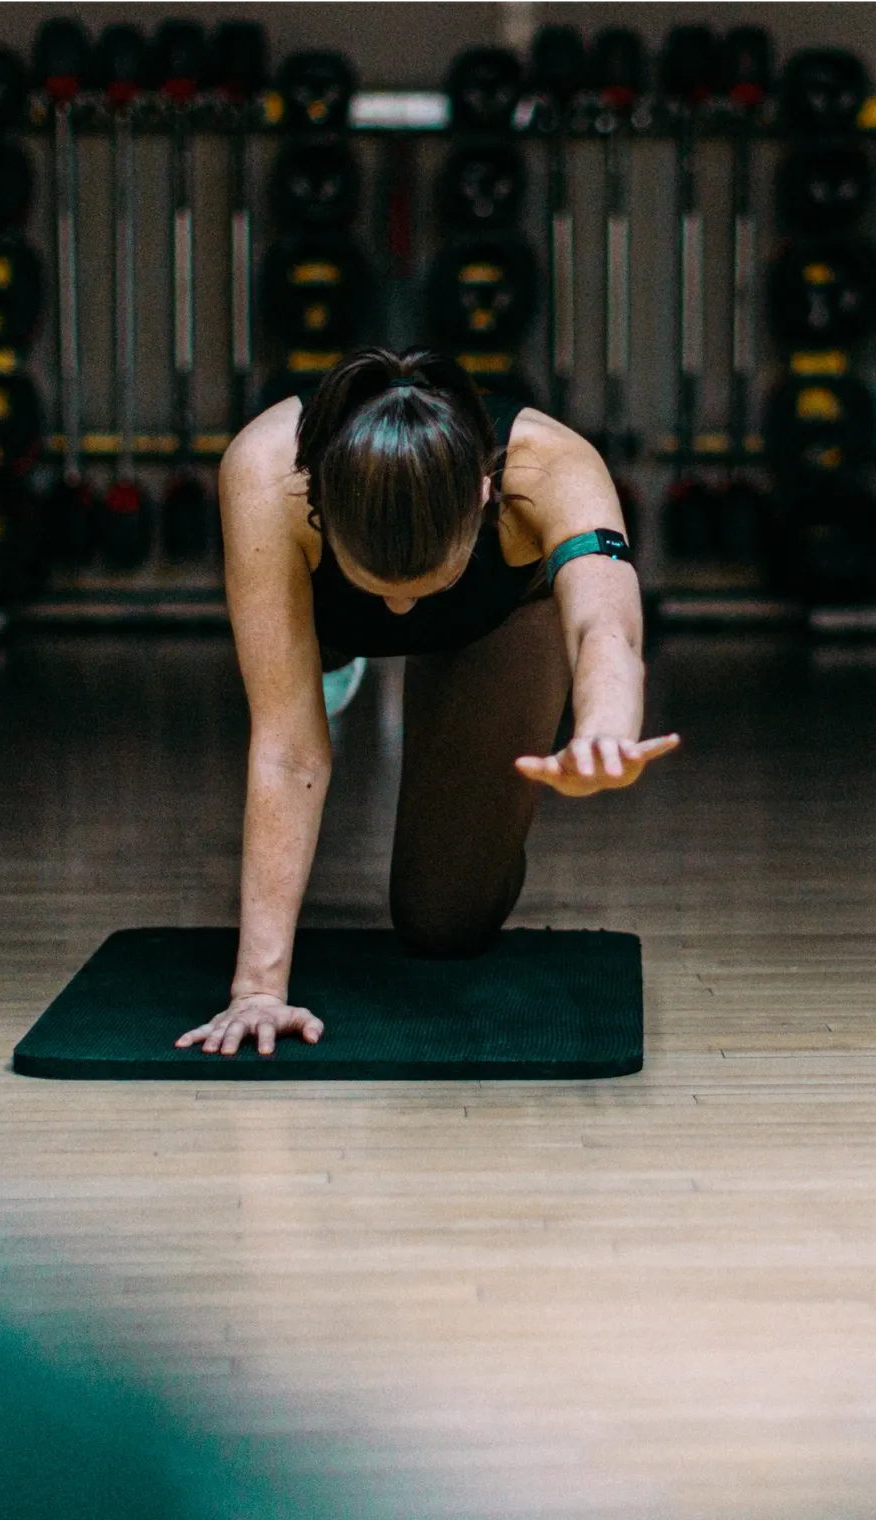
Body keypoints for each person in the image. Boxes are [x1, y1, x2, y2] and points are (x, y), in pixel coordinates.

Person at [184, 353, 677, 1057]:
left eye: (424, 583)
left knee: (447, 924)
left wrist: (604, 728)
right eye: (379, 587)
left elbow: (605, 625)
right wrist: (258, 989)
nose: (399, 610)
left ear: (481, 494)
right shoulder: (269, 472)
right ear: (320, 498)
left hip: (494, 620)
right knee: (295, 671)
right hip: (323, 617)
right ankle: (333, 659)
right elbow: (290, 750)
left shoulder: (550, 467)